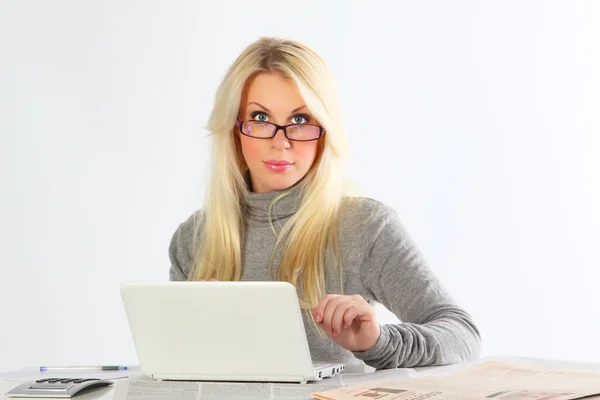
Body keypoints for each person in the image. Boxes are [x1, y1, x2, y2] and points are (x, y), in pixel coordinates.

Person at [168, 37, 481, 369]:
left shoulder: (364, 226)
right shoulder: (193, 239)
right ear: (234, 130)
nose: (280, 142)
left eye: (300, 120)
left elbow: (461, 335)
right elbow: (179, 365)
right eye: (260, 117)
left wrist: (378, 342)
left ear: (326, 129)